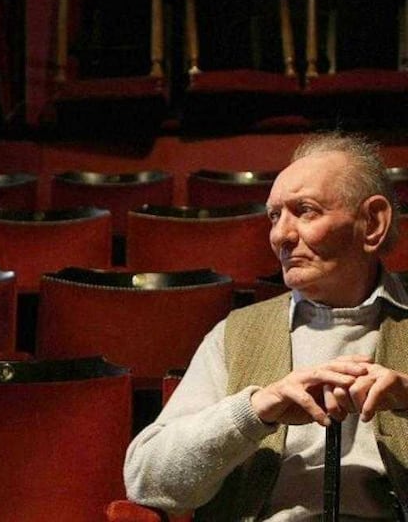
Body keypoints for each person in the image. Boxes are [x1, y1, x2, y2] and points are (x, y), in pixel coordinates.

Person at [124, 131, 408, 520]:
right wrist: (254, 411)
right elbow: (148, 479)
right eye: (275, 216)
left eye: (305, 210)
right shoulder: (237, 333)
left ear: (372, 223)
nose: (281, 235)